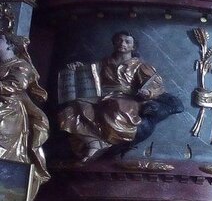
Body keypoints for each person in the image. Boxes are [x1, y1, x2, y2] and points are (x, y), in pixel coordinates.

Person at [57, 31, 184, 162]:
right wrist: (78, 67)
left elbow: (155, 84)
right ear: (114, 43)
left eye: (127, 41)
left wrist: (148, 92)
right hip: (100, 97)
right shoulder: (104, 63)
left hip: (126, 99)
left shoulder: (139, 66)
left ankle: (105, 141)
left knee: (114, 107)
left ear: (133, 47)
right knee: (70, 112)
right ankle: (94, 142)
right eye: (119, 40)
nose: (122, 44)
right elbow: (89, 74)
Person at [0, 32, 50, 201]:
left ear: (10, 45)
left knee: (5, 153)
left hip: (8, 113)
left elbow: (15, 85)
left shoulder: (21, 66)